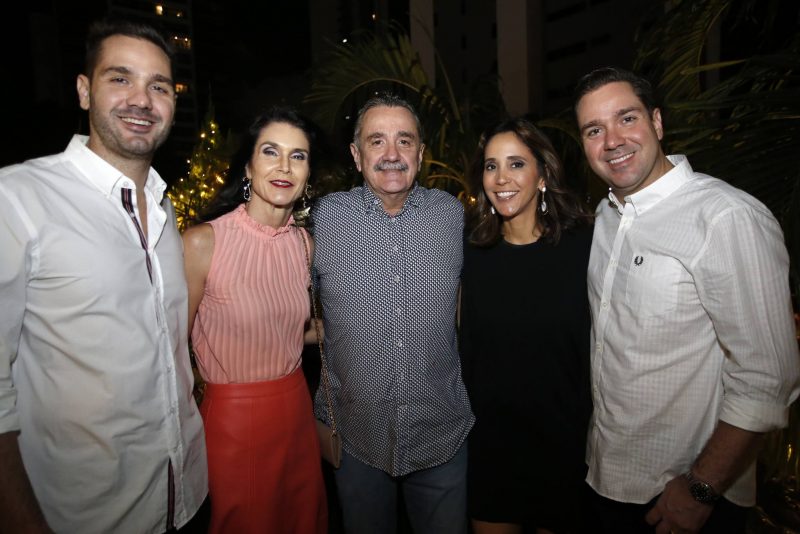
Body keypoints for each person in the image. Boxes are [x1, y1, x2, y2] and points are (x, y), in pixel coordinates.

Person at [0, 19, 207, 533]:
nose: (142, 100)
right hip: (85, 517)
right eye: (120, 78)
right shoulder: (17, 199)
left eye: (159, 86)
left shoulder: (164, 211)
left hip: (187, 499)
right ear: (83, 89)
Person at [574, 66, 800, 533]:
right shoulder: (606, 217)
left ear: (657, 122)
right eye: (594, 130)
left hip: (685, 497)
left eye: (627, 118)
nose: (612, 140)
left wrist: (701, 488)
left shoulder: (725, 217)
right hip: (606, 480)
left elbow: (767, 379)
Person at [311, 93, 474, 534]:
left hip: (441, 434)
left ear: (421, 152)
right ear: (356, 154)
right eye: (377, 140)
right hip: (356, 437)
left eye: (405, 140)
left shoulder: (451, 216)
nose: (391, 154)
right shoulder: (323, 219)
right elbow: (282, 302)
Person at [182, 107, 327, 534]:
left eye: (298, 156)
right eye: (270, 152)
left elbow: (288, 330)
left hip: (296, 411)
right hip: (233, 423)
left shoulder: (304, 245)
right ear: (248, 166)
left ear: (308, 174)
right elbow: (169, 348)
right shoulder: (202, 242)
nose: (284, 166)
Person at [460, 117, 593, 534]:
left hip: (564, 446)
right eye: (491, 166)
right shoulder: (469, 251)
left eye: (516, 164)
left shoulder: (585, 246)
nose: (501, 178)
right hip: (491, 446)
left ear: (542, 175)